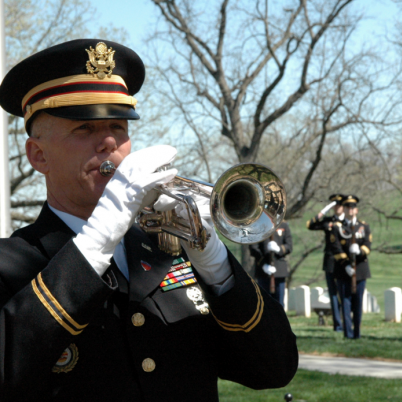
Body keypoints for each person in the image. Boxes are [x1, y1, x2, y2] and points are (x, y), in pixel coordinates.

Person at [0, 39, 298, 401]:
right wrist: (100, 235)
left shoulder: (170, 252)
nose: (109, 141)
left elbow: (275, 367)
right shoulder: (12, 264)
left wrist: (216, 264)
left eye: (119, 127)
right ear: (38, 155)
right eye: (84, 128)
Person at [329, 195, 371, 339]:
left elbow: (368, 245)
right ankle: (348, 333)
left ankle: (357, 333)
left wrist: (359, 251)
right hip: (343, 270)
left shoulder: (363, 226)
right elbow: (335, 248)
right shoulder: (337, 227)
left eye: (353, 207)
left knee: (358, 304)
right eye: (347, 207)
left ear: (357, 210)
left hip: (360, 270)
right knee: (345, 303)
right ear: (344, 209)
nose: (350, 210)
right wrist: (346, 264)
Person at [306, 194, 345, 331]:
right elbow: (310, 225)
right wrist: (323, 211)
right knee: (333, 294)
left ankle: (346, 322)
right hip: (330, 262)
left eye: (339, 205)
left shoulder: (348, 222)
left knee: (344, 294)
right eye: (334, 205)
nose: (337, 208)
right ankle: (338, 324)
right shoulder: (328, 220)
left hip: (344, 262)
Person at [249, 221, 293, 306]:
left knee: (279, 303)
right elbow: (253, 248)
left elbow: (289, 246)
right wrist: (263, 264)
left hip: (280, 270)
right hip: (263, 271)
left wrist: (279, 249)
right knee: (265, 303)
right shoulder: (257, 225)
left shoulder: (283, 225)